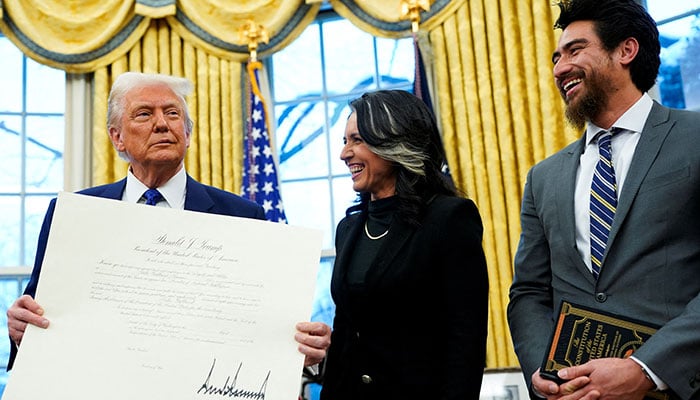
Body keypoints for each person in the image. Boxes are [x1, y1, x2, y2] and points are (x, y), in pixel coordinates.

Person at [6, 72, 330, 370]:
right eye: (144, 114)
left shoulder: (245, 217)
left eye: (172, 114)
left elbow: (266, 326)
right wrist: (22, 332)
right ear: (117, 137)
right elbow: (41, 317)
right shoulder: (70, 216)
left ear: (187, 134)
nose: (162, 124)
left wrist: (300, 350)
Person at [507, 0, 700, 399]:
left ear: (626, 51)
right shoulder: (543, 177)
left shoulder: (694, 138)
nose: (559, 69)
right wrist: (540, 370)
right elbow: (529, 292)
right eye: (557, 57)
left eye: (575, 50)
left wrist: (647, 369)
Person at [320, 90, 489, 400]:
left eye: (357, 140)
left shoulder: (449, 218)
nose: (345, 154)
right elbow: (346, 331)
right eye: (345, 142)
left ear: (393, 142)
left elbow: (465, 342)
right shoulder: (348, 229)